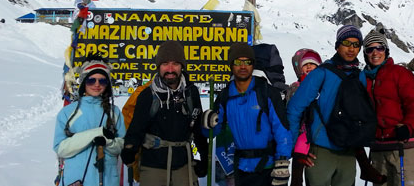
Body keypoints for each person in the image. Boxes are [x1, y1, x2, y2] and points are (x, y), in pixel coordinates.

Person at [287, 25, 382, 186]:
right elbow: (295, 108)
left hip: (348, 150)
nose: (351, 49)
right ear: (337, 45)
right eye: (346, 43)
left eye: (356, 44)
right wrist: (295, 146)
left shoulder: (359, 76)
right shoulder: (321, 73)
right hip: (321, 151)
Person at [202, 43, 292, 186]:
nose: (243, 67)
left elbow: (282, 129)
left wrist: (282, 161)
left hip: (268, 168)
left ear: (253, 64)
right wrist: (207, 124)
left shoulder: (267, 93)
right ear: (231, 65)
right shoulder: (225, 96)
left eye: (247, 62)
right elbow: (213, 132)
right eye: (238, 62)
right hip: (241, 168)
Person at [120, 40, 208, 186]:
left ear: (182, 66)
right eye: (165, 64)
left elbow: (197, 129)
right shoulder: (147, 95)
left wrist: (205, 158)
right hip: (153, 166)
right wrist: (130, 149)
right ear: (158, 66)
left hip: (183, 164)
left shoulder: (190, 93)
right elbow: (136, 129)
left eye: (175, 63)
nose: (170, 69)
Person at [360, 28, 414, 186]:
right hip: (377, 147)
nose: (375, 52)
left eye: (380, 48)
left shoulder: (400, 73)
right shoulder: (362, 80)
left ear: (386, 50)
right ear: (365, 54)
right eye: (370, 49)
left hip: (404, 145)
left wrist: (408, 127)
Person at [53, 56, 126, 186]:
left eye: (102, 81)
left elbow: (121, 146)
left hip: (107, 180)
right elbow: (61, 148)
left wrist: (107, 141)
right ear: (84, 82)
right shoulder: (68, 112)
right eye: (91, 80)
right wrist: (96, 133)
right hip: (76, 180)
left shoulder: (114, 112)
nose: (97, 84)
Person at [285, 48, 321, 186]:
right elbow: (291, 109)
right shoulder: (296, 86)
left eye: (313, 64)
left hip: (318, 133)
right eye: (305, 65)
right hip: (301, 131)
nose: (309, 67)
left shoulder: (323, 85)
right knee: (297, 172)